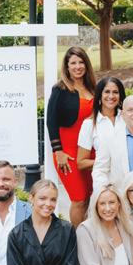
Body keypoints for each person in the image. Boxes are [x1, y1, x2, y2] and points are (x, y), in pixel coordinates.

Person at [46, 46, 97, 226]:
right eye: (73, 63)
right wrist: (58, 151)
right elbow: (51, 121)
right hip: (67, 153)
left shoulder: (94, 88)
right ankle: (77, 237)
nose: (77, 67)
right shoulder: (60, 89)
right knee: (79, 198)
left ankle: (90, 235)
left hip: (90, 152)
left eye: (81, 62)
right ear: (67, 67)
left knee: (91, 196)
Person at [92, 95, 133, 190]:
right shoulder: (109, 138)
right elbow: (100, 170)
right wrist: (105, 192)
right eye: (130, 110)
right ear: (123, 115)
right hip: (121, 196)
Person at [77, 76, 125, 173]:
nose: (111, 96)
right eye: (107, 92)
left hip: (129, 177)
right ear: (100, 95)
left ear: (120, 96)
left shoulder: (127, 117)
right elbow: (81, 163)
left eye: (115, 92)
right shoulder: (89, 124)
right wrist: (108, 162)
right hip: (104, 178)